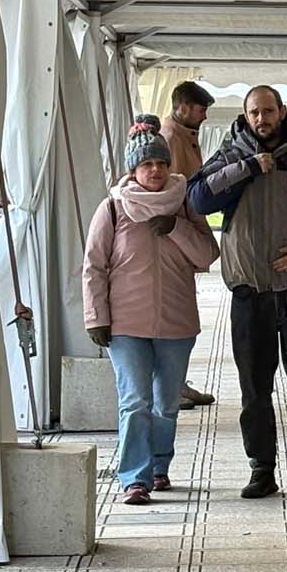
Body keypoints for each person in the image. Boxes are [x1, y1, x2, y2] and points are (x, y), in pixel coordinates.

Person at [188, 85, 287, 501]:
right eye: (254, 112)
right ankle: (262, 469)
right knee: (255, 389)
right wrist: (249, 169)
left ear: (282, 111)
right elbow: (200, 198)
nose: (262, 118)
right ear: (246, 115)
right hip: (250, 291)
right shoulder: (230, 156)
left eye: (268, 110)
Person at [83, 116, 219, 505]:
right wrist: (97, 318)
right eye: (146, 165)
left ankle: (159, 467)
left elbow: (208, 255)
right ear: (133, 170)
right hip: (126, 325)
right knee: (134, 401)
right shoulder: (112, 209)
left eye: (160, 164)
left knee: (165, 403)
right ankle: (134, 478)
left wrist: (175, 227)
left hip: (176, 324)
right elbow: (93, 266)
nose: (155, 171)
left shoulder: (185, 205)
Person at [157, 85, 220, 409]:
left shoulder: (183, 135)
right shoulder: (169, 137)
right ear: (182, 107)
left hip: (183, 231)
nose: (205, 115)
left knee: (183, 315)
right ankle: (171, 385)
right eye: (200, 109)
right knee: (173, 317)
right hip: (171, 235)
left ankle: (178, 381)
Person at [160, 81, 214, 180]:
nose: (205, 117)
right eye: (202, 110)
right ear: (183, 109)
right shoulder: (170, 139)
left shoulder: (180, 136)